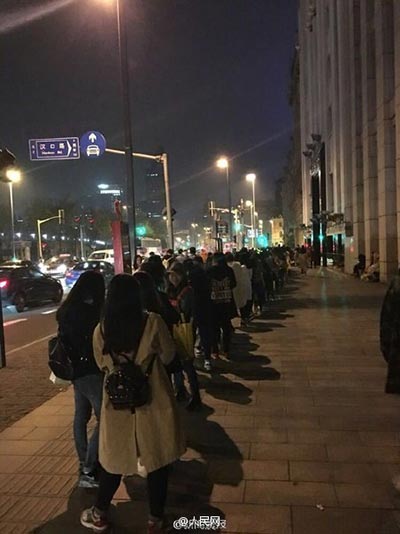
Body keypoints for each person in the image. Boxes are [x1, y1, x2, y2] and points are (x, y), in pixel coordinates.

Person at [80, 274, 185, 534]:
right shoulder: (153, 322)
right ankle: (155, 520)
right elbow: (170, 357)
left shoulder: (101, 330)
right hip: (154, 401)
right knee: (158, 461)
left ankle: (99, 513)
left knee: (115, 462)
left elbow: (101, 364)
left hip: (117, 405)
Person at [56, 271, 105, 489]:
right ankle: (89, 467)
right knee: (105, 417)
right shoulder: (90, 312)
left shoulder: (66, 310)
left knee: (81, 416)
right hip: (91, 370)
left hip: (75, 370)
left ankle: (83, 462)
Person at [167, 262, 202, 409]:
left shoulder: (187, 291)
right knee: (176, 364)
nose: (173, 278)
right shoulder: (170, 290)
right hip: (172, 330)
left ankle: (195, 396)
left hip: (184, 330)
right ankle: (180, 389)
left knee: (187, 364)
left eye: (175, 275)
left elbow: (186, 311)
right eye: (171, 275)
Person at [207, 253, 236, 357]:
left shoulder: (209, 271)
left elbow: (206, 286)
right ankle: (226, 350)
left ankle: (215, 350)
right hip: (226, 302)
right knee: (226, 326)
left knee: (214, 327)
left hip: (213, 303)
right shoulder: (229, 270)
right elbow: (234, 284)